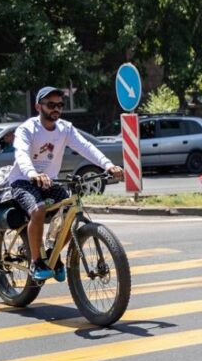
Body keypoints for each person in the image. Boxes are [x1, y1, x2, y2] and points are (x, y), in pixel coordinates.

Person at [7, 87, 123, 281]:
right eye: (51, 104)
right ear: (38, 106)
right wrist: (33, 173)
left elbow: (86, 147)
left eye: (60, 105)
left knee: (71, 211)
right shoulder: (27, 129)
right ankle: (36, 261)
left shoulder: (65, 129)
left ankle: (53, 253)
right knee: (38, 209)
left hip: (48, 181)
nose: (56, 109)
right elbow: (21, 154)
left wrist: (108, 165)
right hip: (23, 180)